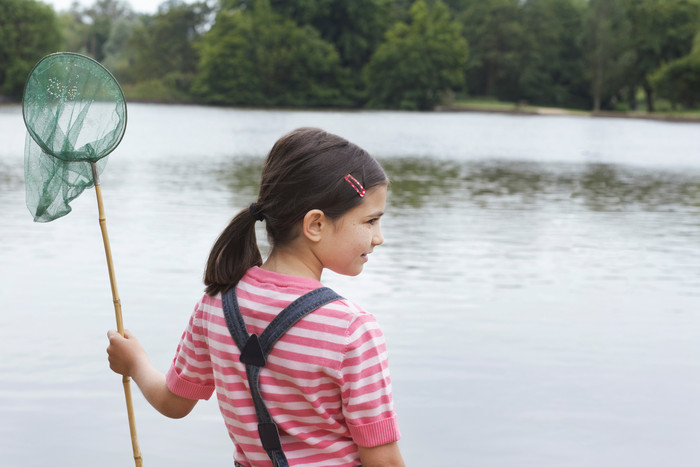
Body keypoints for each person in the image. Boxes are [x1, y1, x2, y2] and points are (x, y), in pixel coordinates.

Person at [107, 128, 405, 467]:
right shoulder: (352, 329)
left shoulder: (216, 303)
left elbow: (173, 403)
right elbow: (383, 460)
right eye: (371, 221)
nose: (379, 238)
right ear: (316, 225)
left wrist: (135, 362)